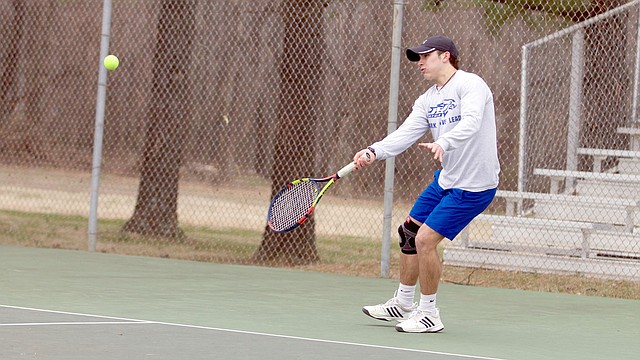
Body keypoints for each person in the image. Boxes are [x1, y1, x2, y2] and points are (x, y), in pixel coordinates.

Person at [353, 35, 500, 333]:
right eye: (417, 58)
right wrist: (374, 151)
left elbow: (471, 122)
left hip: (474, 186)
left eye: (425, 56)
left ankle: (429, 313)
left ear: (445, 56)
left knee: (425, 240)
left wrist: (444, 141)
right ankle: (403, 303)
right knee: (409, 232)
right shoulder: (428, 100)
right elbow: (405, 133)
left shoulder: (471, 85)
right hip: (446, 180)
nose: (419, 63)